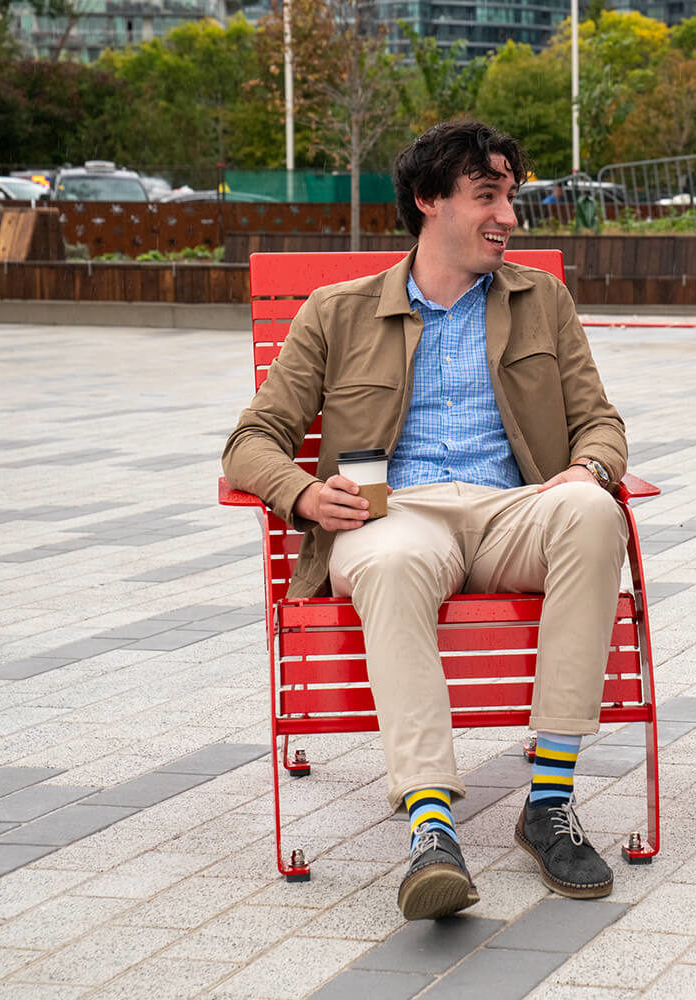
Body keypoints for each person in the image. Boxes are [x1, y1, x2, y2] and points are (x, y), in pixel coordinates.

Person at [222, 119, 630, 920]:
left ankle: (547, 804)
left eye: (511, 196)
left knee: (592, 511)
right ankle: (432, 827)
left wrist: (590, 469)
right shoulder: (337, 313)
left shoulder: (541, 299)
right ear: (427, 201)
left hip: (515, 513)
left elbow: (601, 423)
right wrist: (304, 494)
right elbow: (250, 441)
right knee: (392, 558)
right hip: (395, 516)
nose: (509, 216)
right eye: (487, 197)